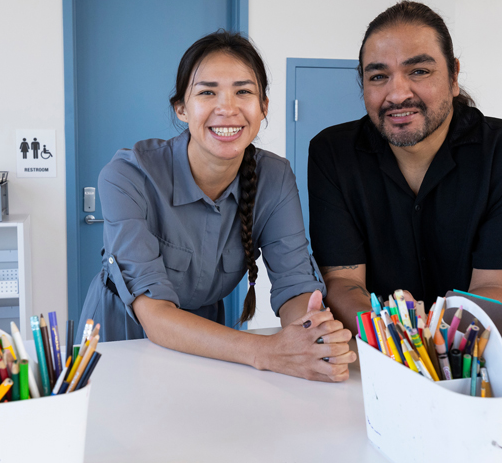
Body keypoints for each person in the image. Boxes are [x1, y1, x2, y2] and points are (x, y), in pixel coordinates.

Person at [78, 31, 355, 382]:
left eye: (243, 91)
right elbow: (154, 313)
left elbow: (295, 283)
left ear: (264, 106)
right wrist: (267, 352)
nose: (227, 108)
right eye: (207, 92)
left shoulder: (275, 176)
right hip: (121, 339)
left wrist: (311, 334)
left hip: (211, 343)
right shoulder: (128, 175)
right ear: (181, 108)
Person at [308, 1, 502, 332]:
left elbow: (497, 287)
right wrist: (395, 339)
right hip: (375, 350)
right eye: (379, 76)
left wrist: (434, 347)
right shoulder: (332, 153)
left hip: (471, 349)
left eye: (419, 71)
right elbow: (343, 281)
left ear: (453, 76)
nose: (397, 94)